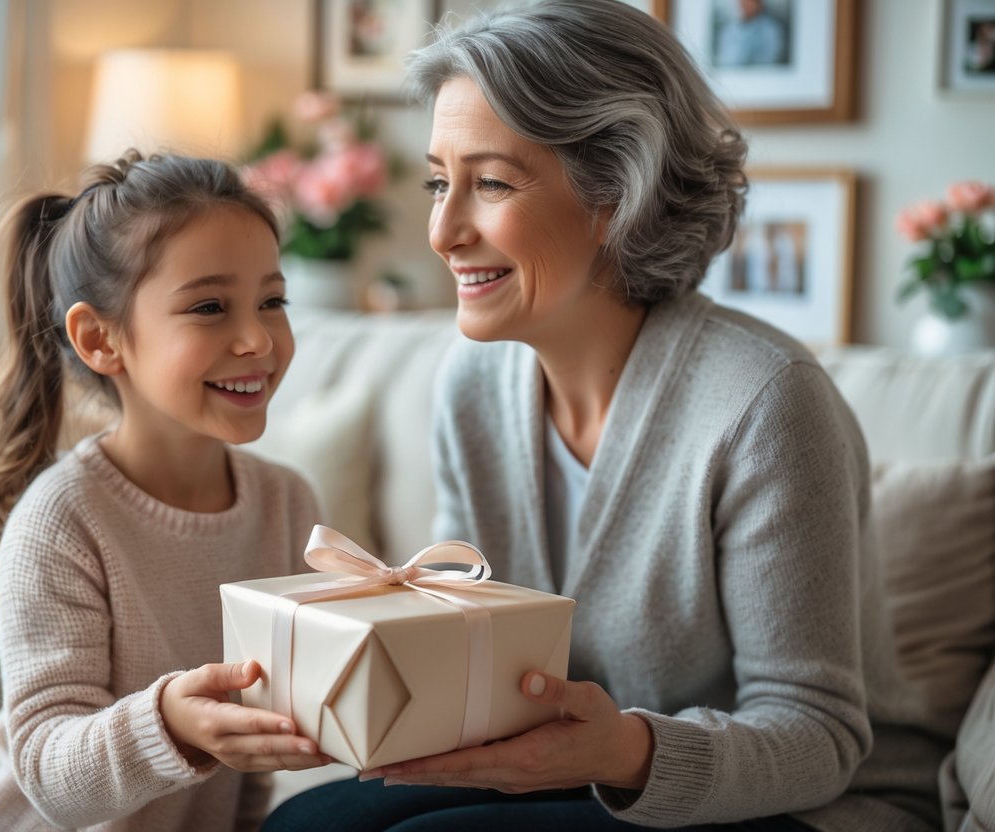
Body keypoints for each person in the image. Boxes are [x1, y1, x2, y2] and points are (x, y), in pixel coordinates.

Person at [265, 2, 944, 830]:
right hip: (576, 771)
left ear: (615, 196)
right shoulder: (473, 382)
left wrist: (618, 750)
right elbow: (467, 638)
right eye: (439, 181)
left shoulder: (765, 401)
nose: (442, 231)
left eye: (489, 183)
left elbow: (820, 737)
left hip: (810, 806)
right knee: (310, 825)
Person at [0, 150, 331, 832]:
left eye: (272, 301)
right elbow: (48, 772)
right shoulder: (61, 520)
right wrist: (170, 725)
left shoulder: (287, 504)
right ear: (100, 340)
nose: (257, 339)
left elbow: (263, 744)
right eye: (210, 307)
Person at [715, 0, 789, 67]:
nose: (746, 4)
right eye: (743, 1)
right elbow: (725, 61)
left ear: (759, 4)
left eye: (750, 1)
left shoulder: (772, 30)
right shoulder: (729, 30)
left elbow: (771, 61)